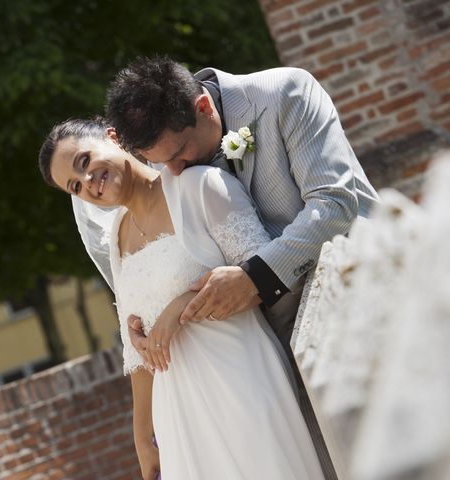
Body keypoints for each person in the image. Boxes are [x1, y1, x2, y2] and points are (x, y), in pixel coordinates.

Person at [72, 56, 380, 479]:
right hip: (269, 358)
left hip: (358, 317)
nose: (174, 172)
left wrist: (256, 277)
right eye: (162, 163)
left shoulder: (285, 93)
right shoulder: (171, 177)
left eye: (179, 154)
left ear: (203, 108)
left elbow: (333, 204)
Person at [39, 117, 326, 479]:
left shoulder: (199, 186)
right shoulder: (116, 238)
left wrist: (181, 309)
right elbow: (137, 353)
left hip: (240, 375)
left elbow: (264, 276)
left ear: (113, 137)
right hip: (176, 408)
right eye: (75, 186)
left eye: (84, 162)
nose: (88, 183)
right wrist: (142, 434)